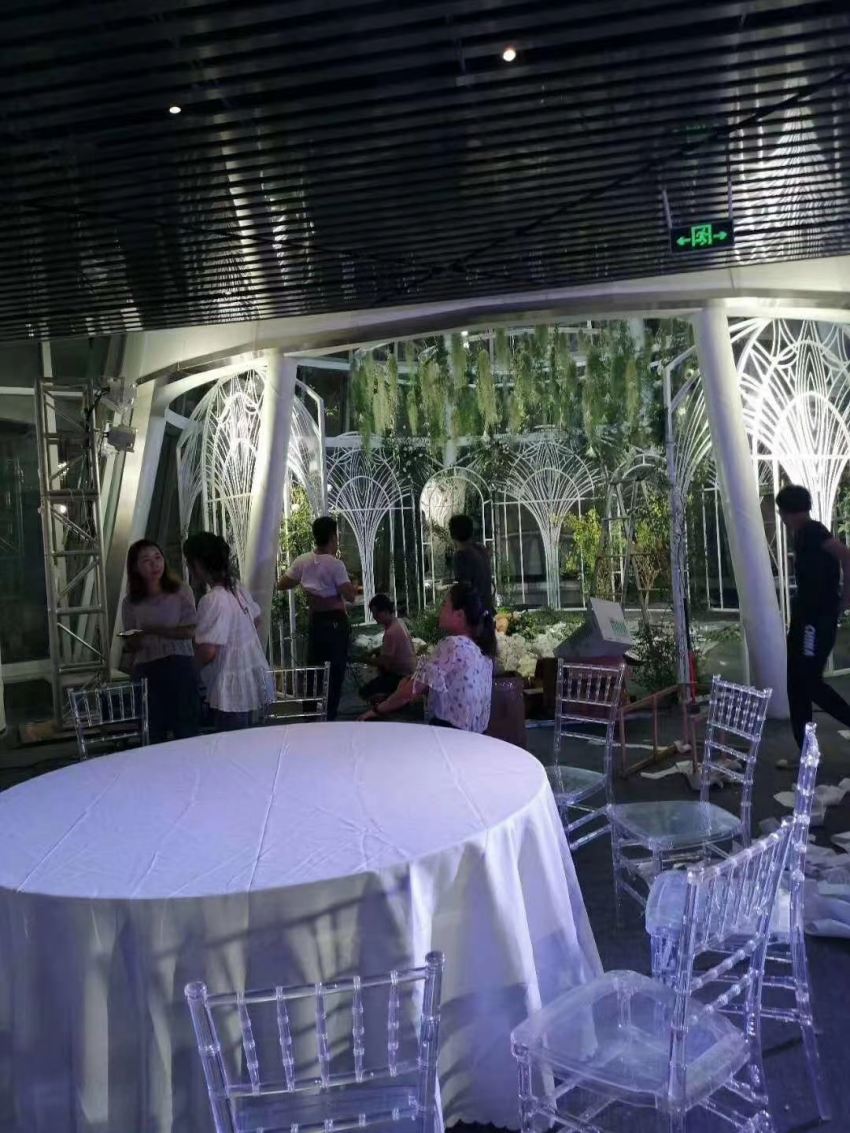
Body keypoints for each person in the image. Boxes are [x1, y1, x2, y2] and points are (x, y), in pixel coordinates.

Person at [359, 582, 495, 732]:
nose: (440, 610)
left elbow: (410, 692)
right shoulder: (482, 651)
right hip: (473, 737)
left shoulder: (454, 645)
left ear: (459, 615)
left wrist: (377, 710)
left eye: (444, 605)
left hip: (449, 735)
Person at [777, 484, 850, 753]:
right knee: (796, 682)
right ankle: (806, 751)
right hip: (805, 618)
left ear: (790, 512)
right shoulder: (801, 535)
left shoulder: (813, 531)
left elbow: (846, 556)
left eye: (782, 513)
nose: (781, 519)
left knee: (809, 682)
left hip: (816, 621)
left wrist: (846, 599)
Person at [183, 531, 272, 732]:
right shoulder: (236, 589)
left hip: (230, 687)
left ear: (197, 565)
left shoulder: (212, 599)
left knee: (230, 742)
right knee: (245, 739)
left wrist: (189, 671)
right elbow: (256, 620)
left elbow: (208, 652)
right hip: (248, 676)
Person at [120, 539, 200, 743]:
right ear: (135, 567)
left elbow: (190, 630)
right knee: (153, 732)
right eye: (146, 560)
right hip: (146, 668)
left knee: (186, 730)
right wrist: (133, 641)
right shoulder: (130, 602)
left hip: (179, 665)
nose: (154, 564)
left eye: (158, 557)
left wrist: (154, 630)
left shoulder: (181, 591)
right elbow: (131, 641)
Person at [278, 516, 357, 720]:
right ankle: (329, 716)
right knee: (335, 671)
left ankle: (310, 716)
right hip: (335, 621)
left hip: (316, 621)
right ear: (332, 536)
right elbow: (350, 595)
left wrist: (310, 588)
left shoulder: (302, 561)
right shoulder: (335, 565)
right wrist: (352, 584)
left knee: (314, 669)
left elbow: (282, 583)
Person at [359, 594, 416, 704]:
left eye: (376, 614)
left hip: (401, 676)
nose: (374, 617)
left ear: (385, 611)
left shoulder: (391, 632)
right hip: (409, 672)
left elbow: (384, 662)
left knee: (364, 692)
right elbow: (390, 648)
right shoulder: (399, 622)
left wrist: (363, 659)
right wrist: (373, 651)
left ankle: (387, 701)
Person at [449, 514, 494, 609]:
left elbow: (464, 589)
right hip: (487, 609)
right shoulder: (481, 549)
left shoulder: (461, 556)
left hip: (474, 612)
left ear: (452, 534)